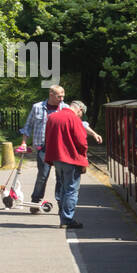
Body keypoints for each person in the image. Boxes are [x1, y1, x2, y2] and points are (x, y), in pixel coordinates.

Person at [18, 85, 66, 214]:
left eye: (63, 96)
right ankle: (35, 202)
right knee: (43, 175)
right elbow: (28, 126)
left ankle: (62, 205)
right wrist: (23, 143)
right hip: (43, 147)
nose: (61, 99)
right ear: (51, 94)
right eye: (59, 96)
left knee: (60, 177)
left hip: (60, 148)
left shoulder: (65, 108)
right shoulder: (37, 107)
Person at [43, 99, 88, 230]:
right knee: (71, 190)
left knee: (62, 187)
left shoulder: (52, 117)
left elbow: (48, 137)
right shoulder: (74, 119)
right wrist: (84, 157)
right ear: (79, 109)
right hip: (71, 159)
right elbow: (82, 142)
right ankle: (67, 219)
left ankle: (63, 216)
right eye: (81, 113)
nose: (80, 116)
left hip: (57, 159)